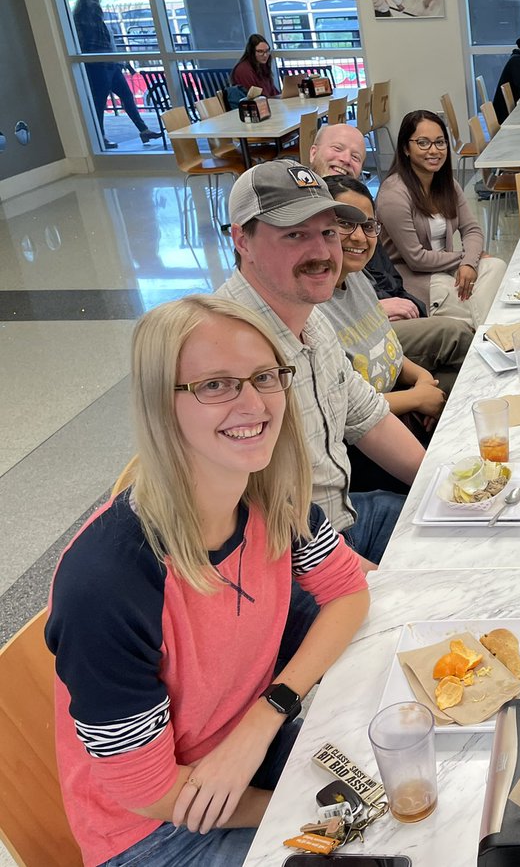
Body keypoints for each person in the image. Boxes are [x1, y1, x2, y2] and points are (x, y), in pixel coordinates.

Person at [46, 295, 370, 867]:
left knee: (416, 776)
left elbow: (347, 592)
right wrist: (292, 804)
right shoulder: (108, 581)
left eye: (264, 377)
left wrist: (265, 717)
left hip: (248, 749)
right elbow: (148, 793)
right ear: (159, 405)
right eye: (215, 385)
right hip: (157, 831)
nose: (254, 403)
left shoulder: (269, 496)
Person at [218, 159, 425, 564]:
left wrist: (450, 488)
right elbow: (260, 525)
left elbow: (367, 416)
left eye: (328, 231)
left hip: (344, 517)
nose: (321, 251)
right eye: (295, 234)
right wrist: (369, 581)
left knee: (478, 538)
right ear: (242, 240)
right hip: (293, 561)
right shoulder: (229, 356)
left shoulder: (311, 318)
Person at [311, 128, 473, 385]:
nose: (345, 160)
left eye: (355, 156)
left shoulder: (361, 213)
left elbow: (385, 276)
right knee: (457, 331)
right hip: (372, 331)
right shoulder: (311, 244)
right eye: (337, 149)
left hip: (384, 319)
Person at [319, 174, 448, 424]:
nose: (359, 237)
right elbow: (345, 409)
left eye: (368, 226)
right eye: (345, 224)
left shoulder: (358, 277)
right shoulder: (313, 310)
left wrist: (423, 381)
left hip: (395, 393)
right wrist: (417, 399)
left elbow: (386, 348)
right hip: (374, 424)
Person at [376, 109, 506, 329]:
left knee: (496, 266)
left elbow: (472, 229)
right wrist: (465, 258)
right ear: (406, 148)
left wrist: (468, 263)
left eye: (440, 142)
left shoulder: (446, 185)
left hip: (447, 269)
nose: (434, 150)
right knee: (483, 302)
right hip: (419, 280)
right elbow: (416, 258)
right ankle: (488, 335)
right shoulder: (393, 193)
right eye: (423, 143)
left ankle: (483, 333)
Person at [72, 0, 162, 149]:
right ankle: (101, 137)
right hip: (99, 65)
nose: (97, 3)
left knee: (123, 97)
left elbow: (104, 43)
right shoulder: (87, 17)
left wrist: (121, 61)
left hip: (108, 64)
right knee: (101, 102)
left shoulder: (84, 18)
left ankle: (142, 130)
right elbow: (99, 43)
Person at [231, 34, 279, 98]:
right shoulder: (243, 70)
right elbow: (254, 97)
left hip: (268, 102)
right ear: (251, 52)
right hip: (254, 105)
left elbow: (273, 92)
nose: (265, 55)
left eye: (267, 51)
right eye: (260, 51)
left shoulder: (262, 66)